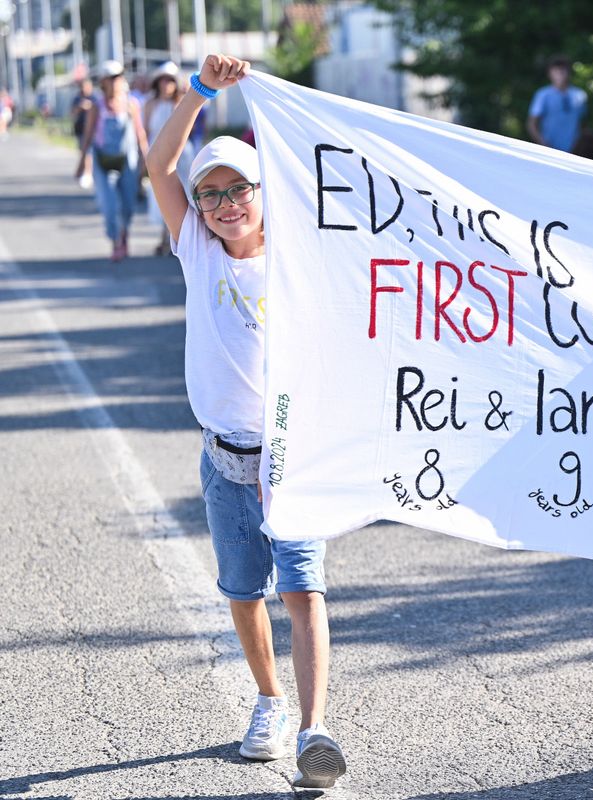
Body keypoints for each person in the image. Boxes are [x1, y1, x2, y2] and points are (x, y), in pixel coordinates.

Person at [144, 54, 347, 789]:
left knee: (303, 587)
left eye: (240, 190)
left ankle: (314, 726)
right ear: (197, 209)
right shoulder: (197, 250)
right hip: (225, 457)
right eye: (212, 195)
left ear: (264, 193)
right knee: (242, 590)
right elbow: (158, 161)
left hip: (290, 454)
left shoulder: (299, 256)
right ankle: (268, 700)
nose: (227, 203)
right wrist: (201, 92)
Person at [75, 60, 149, 262]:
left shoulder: (131, 104)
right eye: (112, 78)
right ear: (104, 82)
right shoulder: (96, 107)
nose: (117, 82)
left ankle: (124, 234)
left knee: (128, 205)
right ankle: (115, 241)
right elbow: (88, 136)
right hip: (102, 159)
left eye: (119, 77)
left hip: (127, 160)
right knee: (108, 205)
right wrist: (82, 164)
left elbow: (140, 134)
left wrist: (146, 160)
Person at [143, 61, 192, 256]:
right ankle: (166, 236)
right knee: (161, 194)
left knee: (183, 193)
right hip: (159, 155)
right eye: (163, 80)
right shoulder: (150, 104)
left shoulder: (181, 103)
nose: (166, 84)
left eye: (170, 80)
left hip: (182, 156)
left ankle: (178, 237)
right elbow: (145, 131)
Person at [527, 55, 587, 152]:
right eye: (556, 71)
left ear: (569, 72)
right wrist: (543, 144)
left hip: (573, 152)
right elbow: (532, 124)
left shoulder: (579, 95)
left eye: (563, 70)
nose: (560, 74)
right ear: (549, 73)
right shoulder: (543, 95)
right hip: (548, 150)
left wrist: (579, 147)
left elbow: (582, 124)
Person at [70, 78, 95, 186]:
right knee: (83, 151)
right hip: (80, 130)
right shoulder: (77, 99)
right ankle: (85, 172)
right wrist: (80, 107)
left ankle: (88, 173)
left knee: (89, 152)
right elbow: (72, 113)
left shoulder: (95, 98)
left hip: (93, 130)